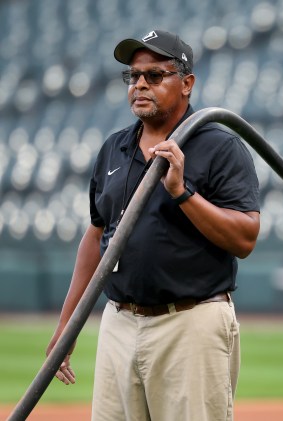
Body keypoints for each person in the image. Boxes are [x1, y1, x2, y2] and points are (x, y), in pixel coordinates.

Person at [46, 29, 260, 421]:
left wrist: (182, 192)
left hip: (188, 323)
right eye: (133, 76)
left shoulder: (220, 146)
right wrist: (68, 325)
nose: (140, 84)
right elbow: (97, 235)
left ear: (187, 84)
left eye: (155, 76)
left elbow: (245, 238)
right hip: (120, 321)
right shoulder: (114, 147)